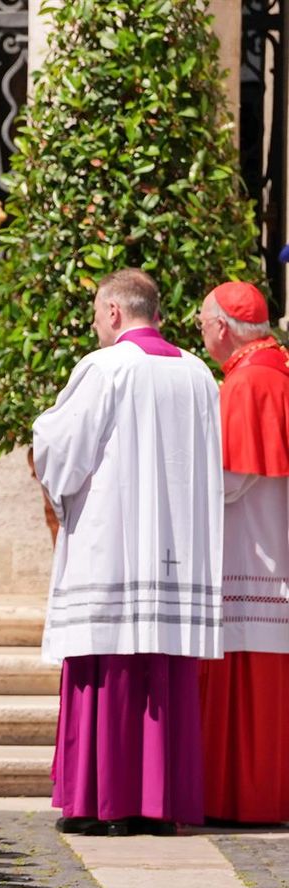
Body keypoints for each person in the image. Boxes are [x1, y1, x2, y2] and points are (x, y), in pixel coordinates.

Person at [32, 268, 222, 836]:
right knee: (164, 673)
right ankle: (159, 807)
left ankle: (102, 803)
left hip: (112, 547)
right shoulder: (199, 374)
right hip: (178, 552)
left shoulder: (106, 367)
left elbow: (63, 453)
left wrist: (44, 443)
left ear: (114, 311)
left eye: (97, 313)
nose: (96, 324)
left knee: (106, 670)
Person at [195, 281, 289, 824]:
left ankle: (241, 799)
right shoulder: (277, 367)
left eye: (203, 322)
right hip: (273, 555)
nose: (202, 332)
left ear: (222, 327)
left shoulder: (249, 382)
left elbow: (229, 480)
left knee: (247, 693)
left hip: (251, 559)